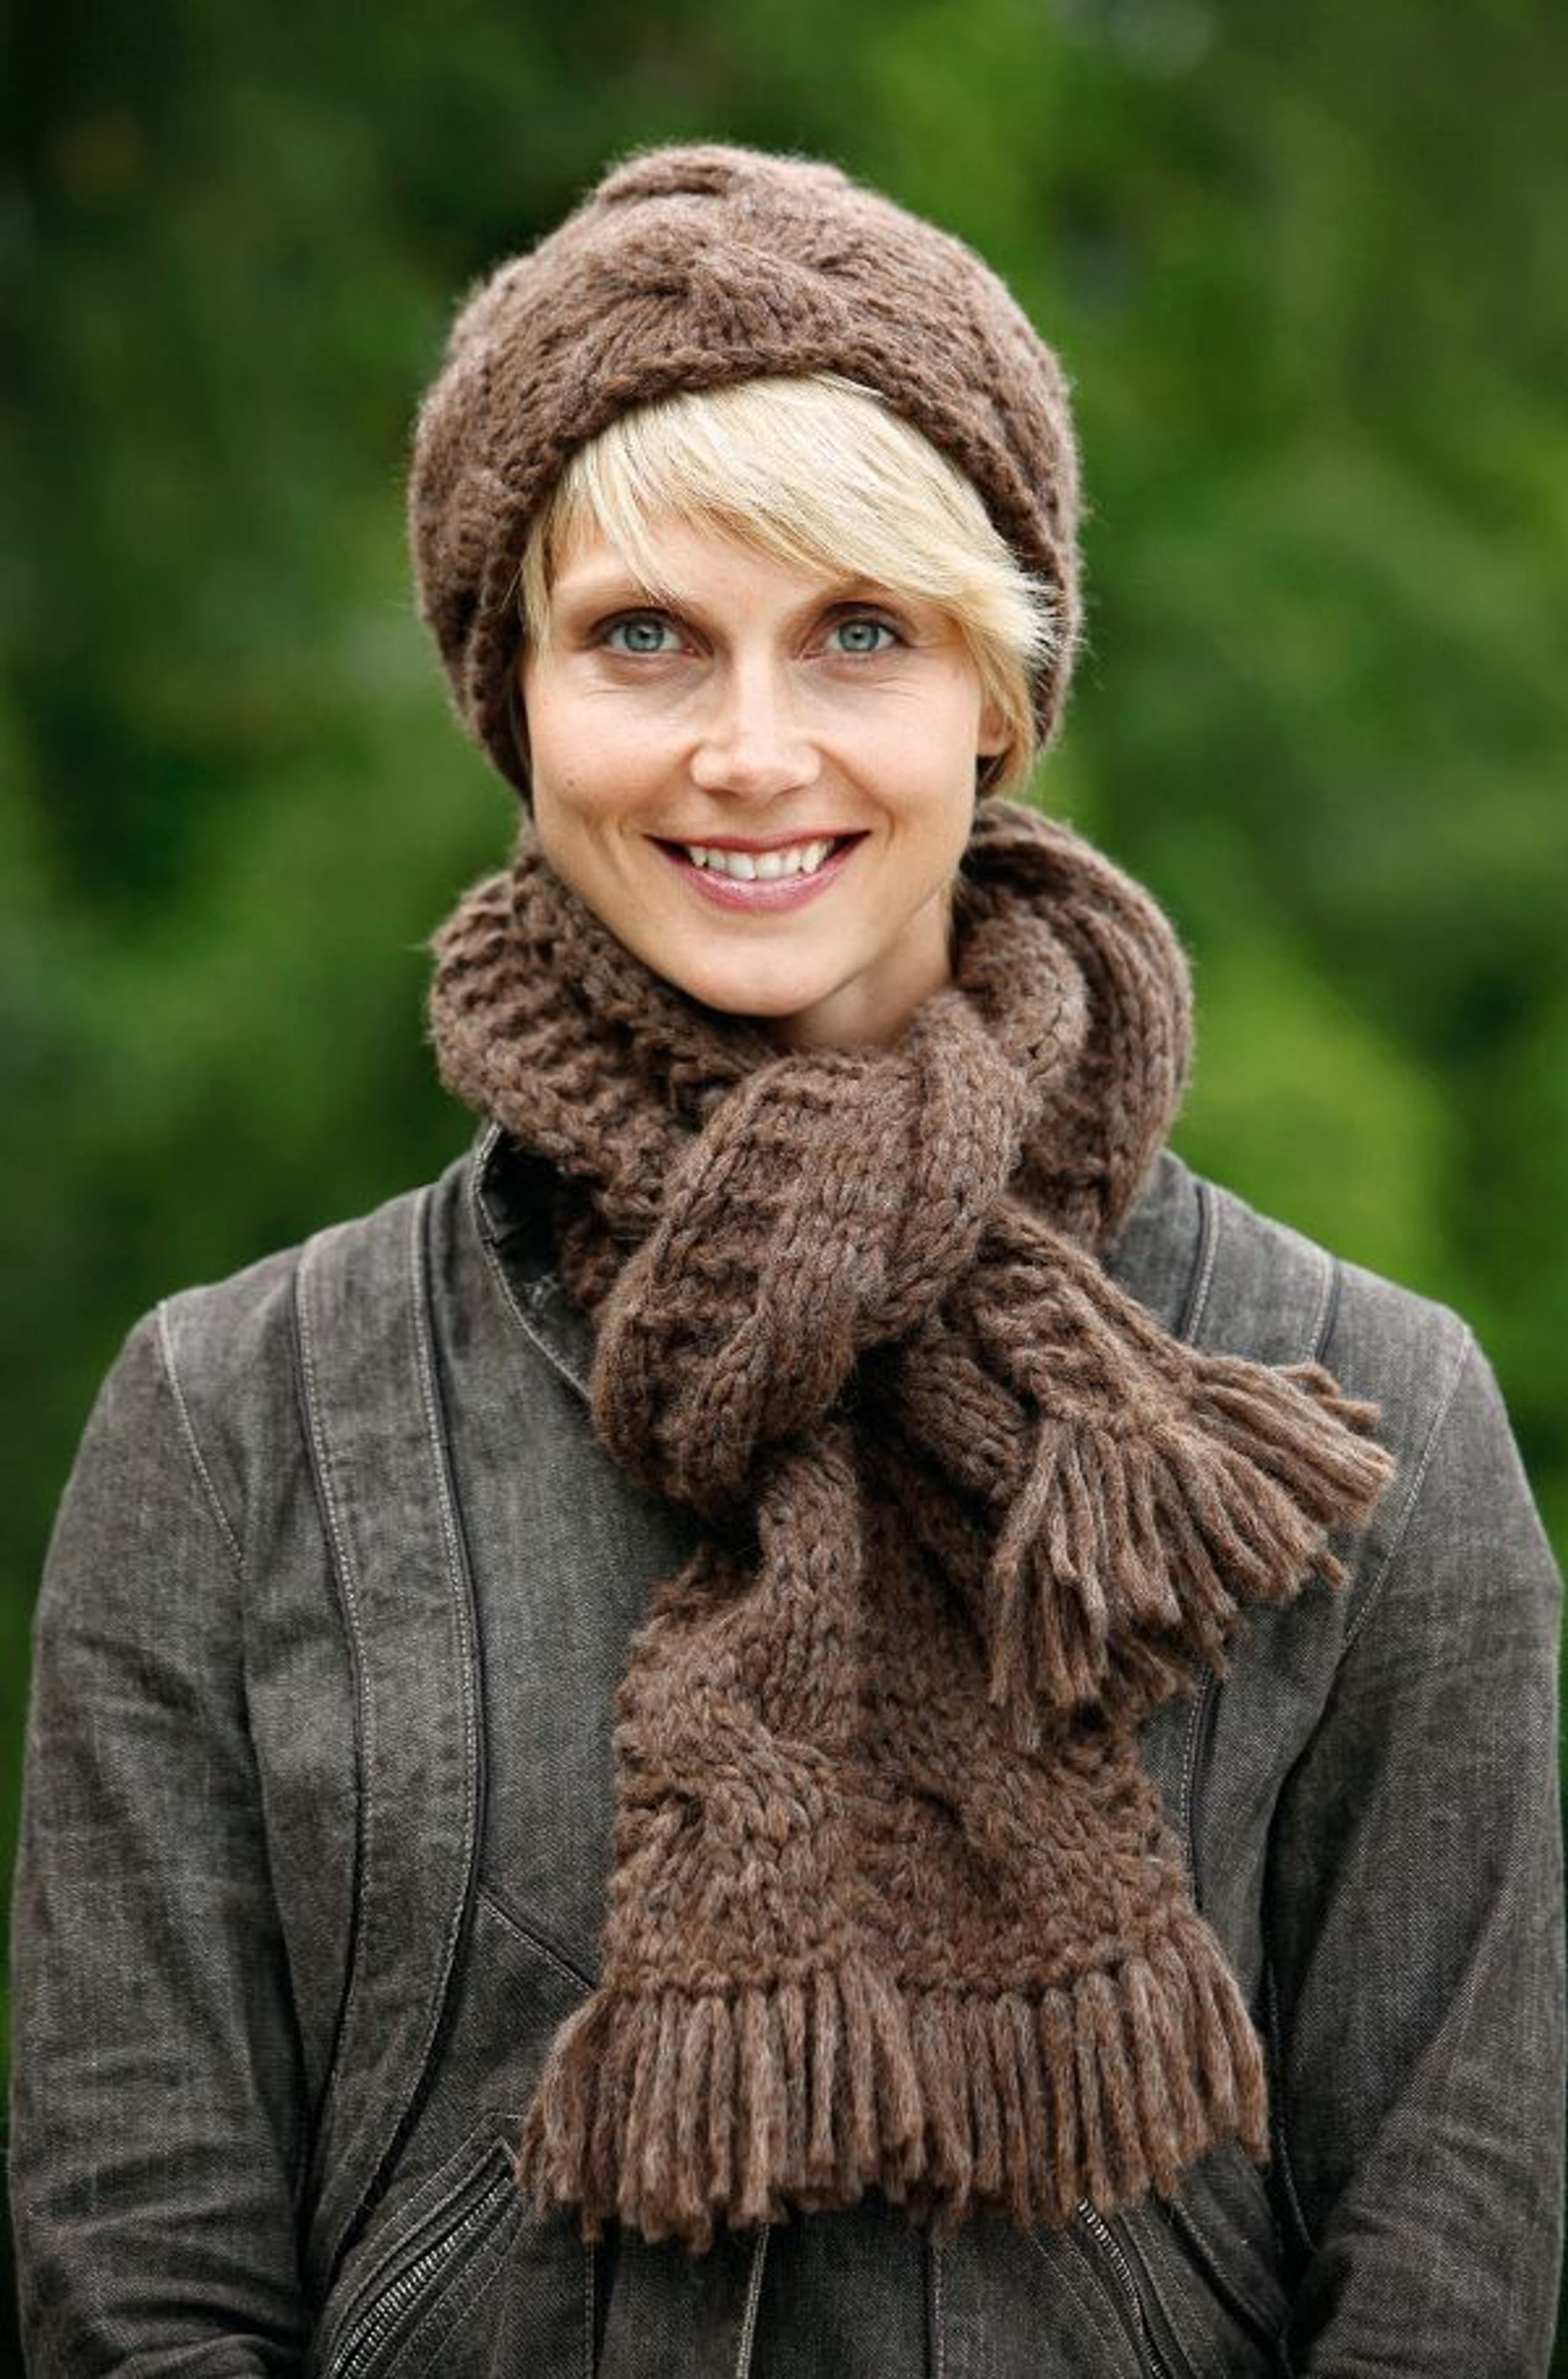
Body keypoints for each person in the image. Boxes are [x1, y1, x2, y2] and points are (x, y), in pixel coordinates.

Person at [10, 142, 1563, 2378]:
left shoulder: (1356, 1426)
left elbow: (1448, 2277)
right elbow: (137, 2276)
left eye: (861, 632)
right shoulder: (230, 1422)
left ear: (998, 691)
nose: (753, 753)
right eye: (643, 636)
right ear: (513, 695)